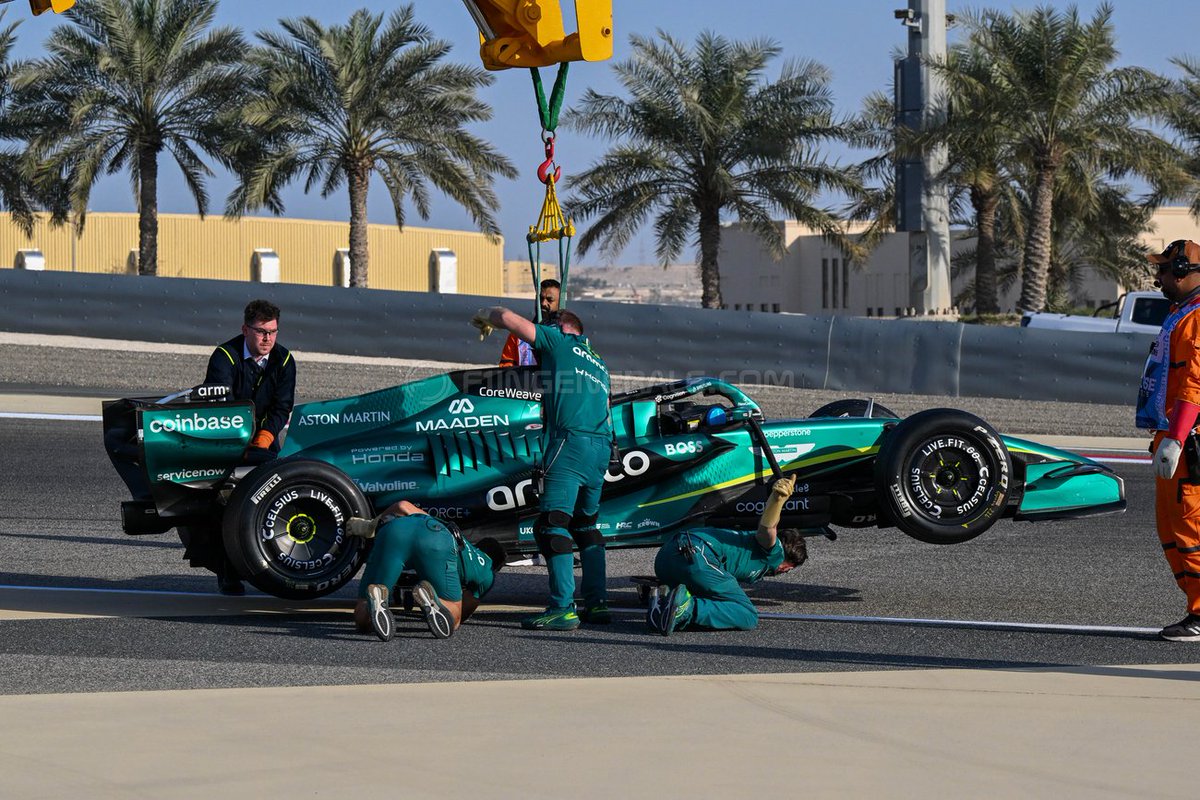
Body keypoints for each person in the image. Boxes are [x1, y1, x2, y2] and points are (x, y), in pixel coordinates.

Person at [472, 304, 612, 631]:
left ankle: (562, 608)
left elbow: (508, 318)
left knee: (552, 525)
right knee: (587, 526)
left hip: (570, 443)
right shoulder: (600, 363)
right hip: (601, 448)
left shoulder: (558, 341)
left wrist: (486, 315)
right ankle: (597, 603)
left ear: (562, 328)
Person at [197, 299, 297, 595]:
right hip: (227, 443)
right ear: (245, 329)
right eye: (261, 332)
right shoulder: (224, 357)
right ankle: (227, 570)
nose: (267, 339)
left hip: (264, 444)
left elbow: (283, 407)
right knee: (226, 503)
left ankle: (275, 564)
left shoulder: (285, 360)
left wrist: (265, 437)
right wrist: (240, 443)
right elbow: (221, 407)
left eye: (273, 332)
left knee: (273, 501)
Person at [648, 474, 808, 635]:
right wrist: (776, 500)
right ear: (788, 562)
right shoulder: (775, 552)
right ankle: (686, 609)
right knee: (747, 615)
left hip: (665, 559)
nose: (786, 571)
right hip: (698, 556)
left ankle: (661, 605)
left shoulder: (745, 543)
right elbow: (767, 529)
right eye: (790, 567)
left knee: (712, 597)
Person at [1138, 239, 1200, 643]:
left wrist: (1177, 438)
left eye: (1163, 269)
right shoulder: (1181, 314)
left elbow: (1195, 385)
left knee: (1191, 529)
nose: (1158, 276)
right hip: (1172, 435)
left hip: (1190, 439)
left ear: (1182, 270)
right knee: (1171, 529)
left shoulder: (1197, 319)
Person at [348, 500, 504, 642]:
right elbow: (462, 614)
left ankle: (376, 598)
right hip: (436, 542)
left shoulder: (459, 537)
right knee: (453, 618)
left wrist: (370, 526)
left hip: (397, 530)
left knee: (362, 619)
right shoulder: (487, 572)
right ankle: (433, 599)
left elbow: (402, 505)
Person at [498, 279, 561, 367]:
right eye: (540, 298)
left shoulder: (567, 335)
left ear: (560, 302)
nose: (543, 303)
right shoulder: (517, 334)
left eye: (550, 300)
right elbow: (506, 368)